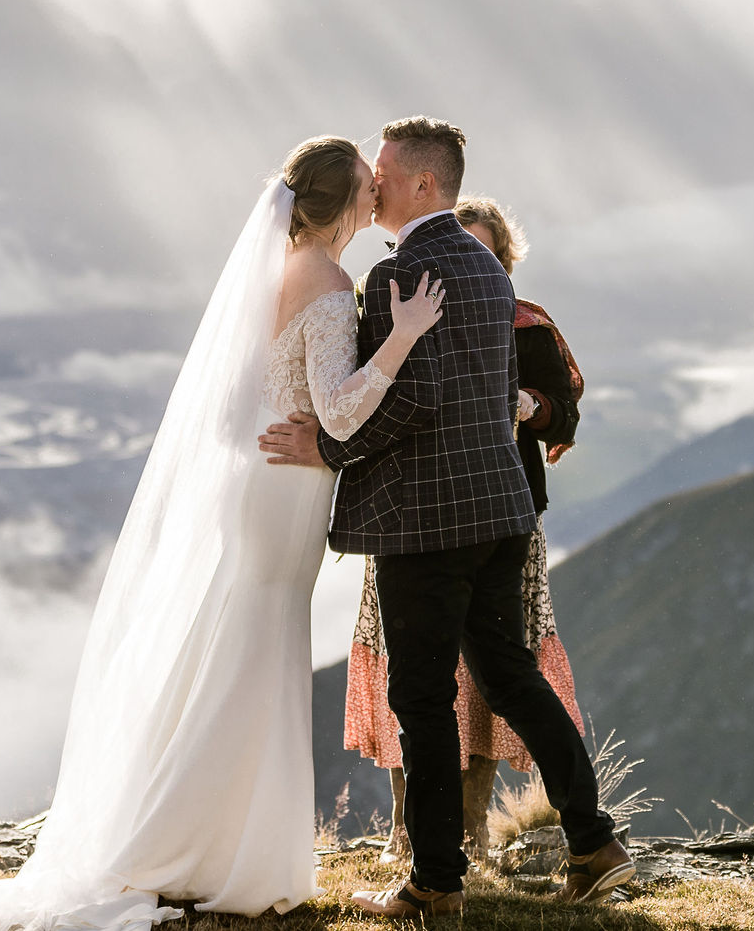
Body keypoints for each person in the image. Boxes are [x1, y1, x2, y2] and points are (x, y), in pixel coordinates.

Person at [0, 136, 444, 931]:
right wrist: (405, 333)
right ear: (340, 206)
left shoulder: (275, 275)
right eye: (361, 190)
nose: (371, 201)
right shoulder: (328, 279)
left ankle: (205, 835)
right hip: (288, 491)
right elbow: (339, 408)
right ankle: (218, 848)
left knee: (240, 646)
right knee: (259, 649)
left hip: (262, 484)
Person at [259, 117, 632, 918]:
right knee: (511, 676)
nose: (378, 182)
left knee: (422, 697)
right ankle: (595, 844)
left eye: (388, 169)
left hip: (426, 523)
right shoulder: (486, 269)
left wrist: (327, 447)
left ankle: (433, 884)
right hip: (500, 511)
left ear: (425, 183)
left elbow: (410, 397)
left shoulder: (402, 274)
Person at [342, 195, 586, 866]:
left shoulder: (525, 327)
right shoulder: (408, 311)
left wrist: (531, 405)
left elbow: (564, 415)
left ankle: (470, 830)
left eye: (481, 254)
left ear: (500, 263)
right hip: (416, 516)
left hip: (505, 519)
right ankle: (410, 830)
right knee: (415, 675)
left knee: (487, 682)